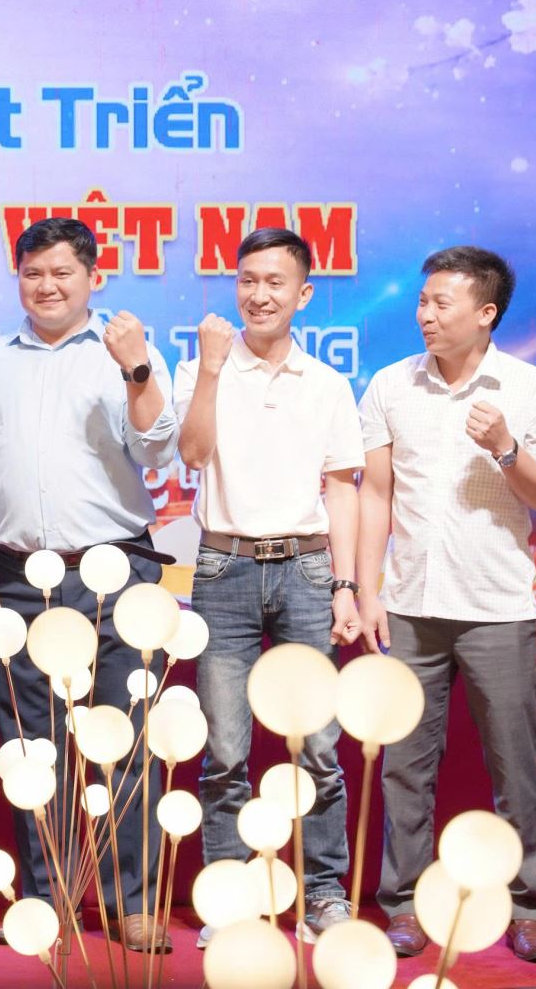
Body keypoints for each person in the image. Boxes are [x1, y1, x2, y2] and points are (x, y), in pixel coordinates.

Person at [0, 216, 178, 953]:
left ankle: (133, 902)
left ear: (93, 278)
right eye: (33, 273)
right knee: (30, 747)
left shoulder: (126, 353)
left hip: (118, 571)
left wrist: (137, 369)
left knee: (125, 739)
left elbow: (157, 449)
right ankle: (48, 900)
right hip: (12, 576)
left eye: (62, 272)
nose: (47, 286)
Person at [358, 246, 536, 965]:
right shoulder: (391, 384)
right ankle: (404, 904)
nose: (424, 313)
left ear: (485, 313)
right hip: (411, 605)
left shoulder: (532, 388)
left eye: (440, 302)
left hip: (497, 607)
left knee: (514, 766)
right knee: (405, 767)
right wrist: (366, 589)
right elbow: (376, 493)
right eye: (422, 300)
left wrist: (506, 448)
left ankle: (529, 908)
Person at [173, 227, 363, 947]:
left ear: (303, 293)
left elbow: (342, 488)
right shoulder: (204, 368)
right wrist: (211, 370)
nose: (259, 295)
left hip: (308, 570)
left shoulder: (328, 384)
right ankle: (230, 900)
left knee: (317, 746)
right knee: (225, 749)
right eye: (247, 280)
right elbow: (192, 454)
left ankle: (323, 894)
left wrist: (345, 586)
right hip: (223, 568)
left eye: (275, 282)